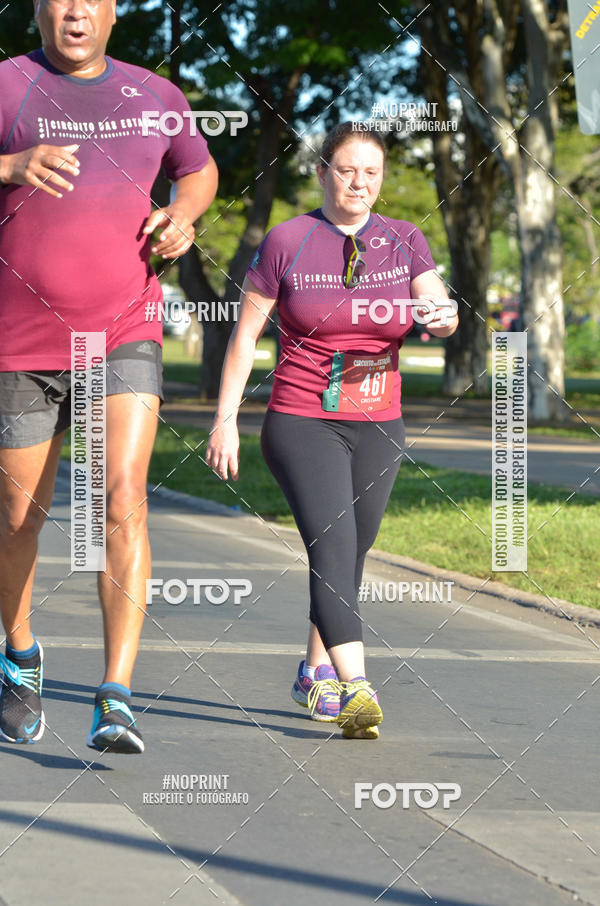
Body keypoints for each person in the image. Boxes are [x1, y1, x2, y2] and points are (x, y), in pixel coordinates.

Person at [0, 0, 218, 753]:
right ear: (38, 9)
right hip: (17, 343)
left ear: (112, 11)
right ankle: (21, 656)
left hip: (122, 330)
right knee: (17, 516)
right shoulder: (7, 85)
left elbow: (199, 169)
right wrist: (10, 165)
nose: (73, 10)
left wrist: (184, 215)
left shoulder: (155, 95)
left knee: (122, 499)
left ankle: (115, 695)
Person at [206, 122, 457, 739]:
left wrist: (444, 316)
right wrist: (225, 420)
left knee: (349, 554)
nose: (360, 183)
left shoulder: (404, 240)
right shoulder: (288, 240)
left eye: (372, 173)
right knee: (332, 543)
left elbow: (438, 309)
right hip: (301, 418)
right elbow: (244, 340)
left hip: (379, 422)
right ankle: (358, 686)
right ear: (322, 172)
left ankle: (313, 671)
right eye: (347, 170)